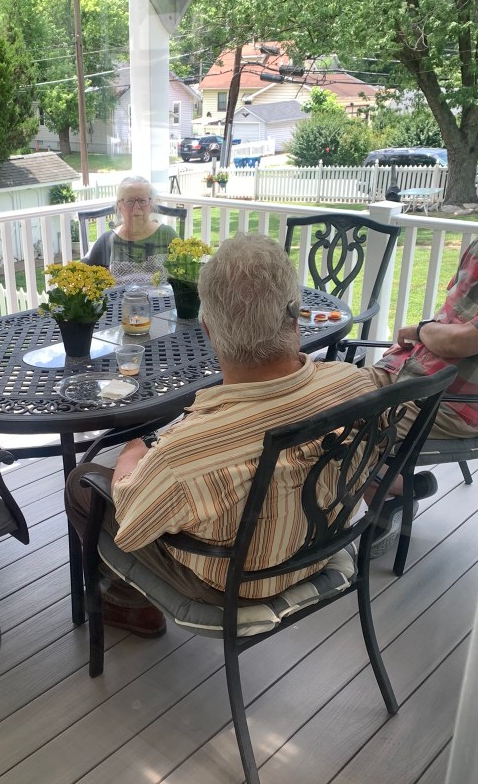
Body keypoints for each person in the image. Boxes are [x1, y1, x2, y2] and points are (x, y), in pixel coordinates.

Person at [65, 233, 380, 637]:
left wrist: (132, 455)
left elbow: (131, 520)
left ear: (209, 331)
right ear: (295, 318)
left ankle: (128, 604)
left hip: (235, 584)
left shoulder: (186, 452)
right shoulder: (355, 383)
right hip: (320, 547)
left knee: (82, 481)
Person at [364, 163, 478, 552]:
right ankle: (399, 485)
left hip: (457, 403)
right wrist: (428, 335)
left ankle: (381, 497)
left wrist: (420, 331)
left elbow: (458, 342)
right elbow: (450, 321)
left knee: (343, 429)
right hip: (408, 369)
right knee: (318, 399)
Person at [84, 176, 178, 276]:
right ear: (119, 206)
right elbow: (82, 272)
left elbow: (184, 275)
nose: (136, 207)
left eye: (142, 201)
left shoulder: (167, 235)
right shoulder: (107, 240)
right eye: (130, 201)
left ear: (151, 204)